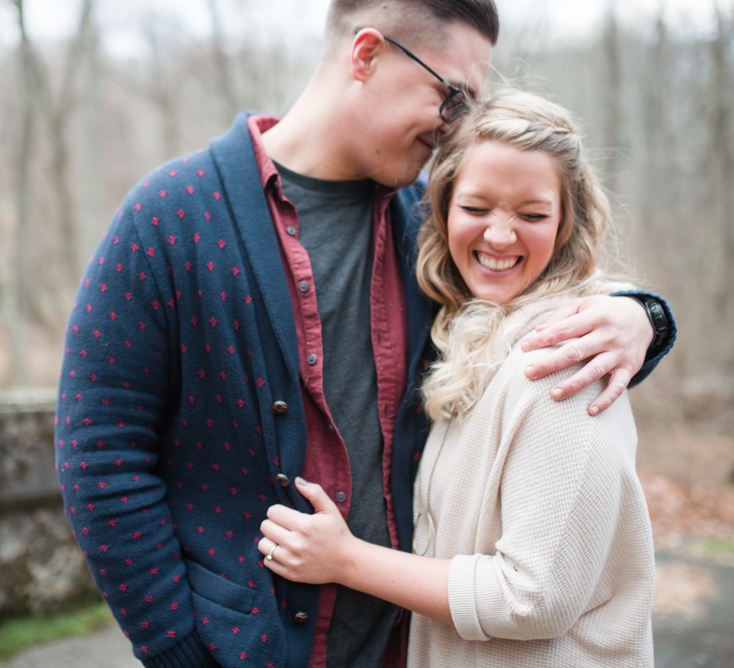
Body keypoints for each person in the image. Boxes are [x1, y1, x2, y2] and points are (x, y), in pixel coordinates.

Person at [53, 2, 674, 668]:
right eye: (452, 96)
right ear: (367, 53)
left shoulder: (431, 221)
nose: (457, 126)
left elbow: (537, 281)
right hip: (243, 651)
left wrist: (646, 317)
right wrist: (176, 647)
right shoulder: (169, 217)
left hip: (411, 647)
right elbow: (100, 456)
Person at [258, 89, 657, 667]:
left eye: (532, 213)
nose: (499, 236)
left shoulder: (564, 359)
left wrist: (346, 560)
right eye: (477, 208)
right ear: (442, 210)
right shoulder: (468, 337)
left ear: (566, 224)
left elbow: (532, 599)